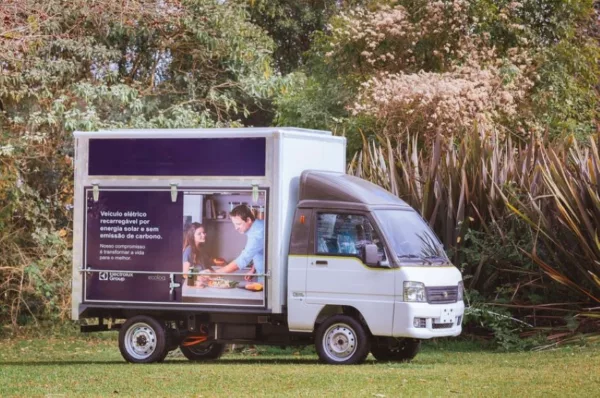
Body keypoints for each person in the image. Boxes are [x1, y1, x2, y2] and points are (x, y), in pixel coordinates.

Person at [217, 205, 264, 282]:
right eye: (234, 224)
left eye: (238, 224)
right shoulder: (257, 227)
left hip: (268, 278)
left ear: (248, 220)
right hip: (261, 274)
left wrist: (216, 273)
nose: (236, 228)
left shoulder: (258, 233)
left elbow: (243, 259)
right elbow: (258, 251)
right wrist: (253, 270)